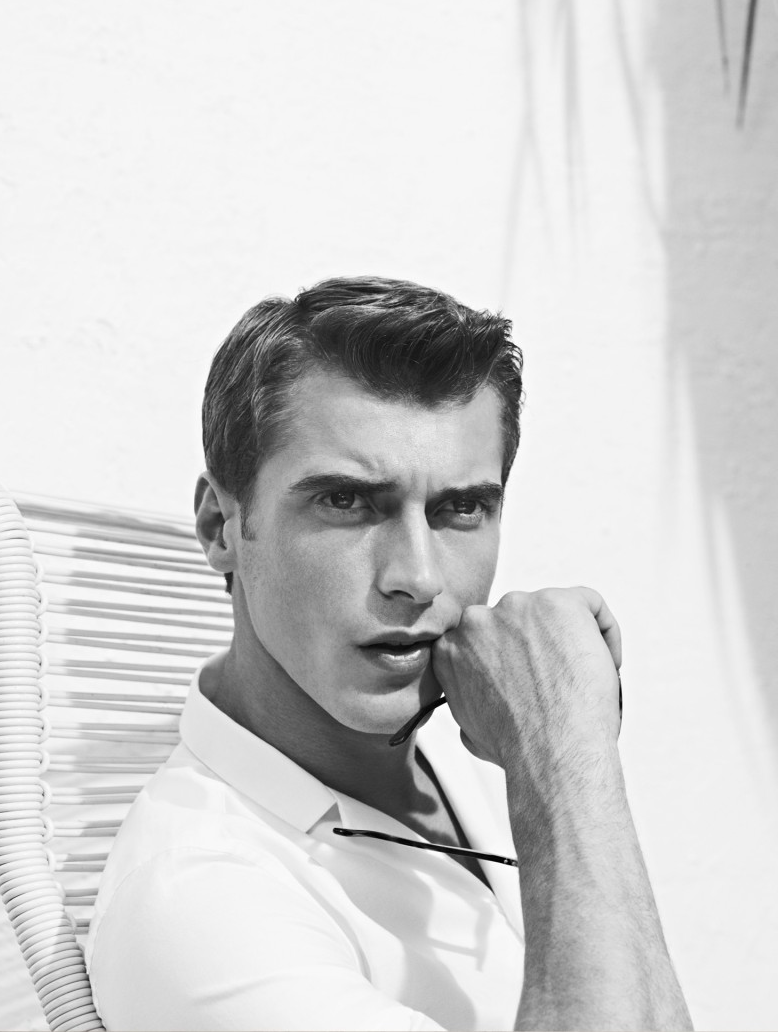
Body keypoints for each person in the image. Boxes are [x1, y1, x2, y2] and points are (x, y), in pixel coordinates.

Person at [87, 276, 693, 1031]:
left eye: (460, 508)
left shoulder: (471, 735)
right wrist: (564, 756)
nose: (418, 577)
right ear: (220, 527)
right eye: (346, 501)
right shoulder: (200, 906)